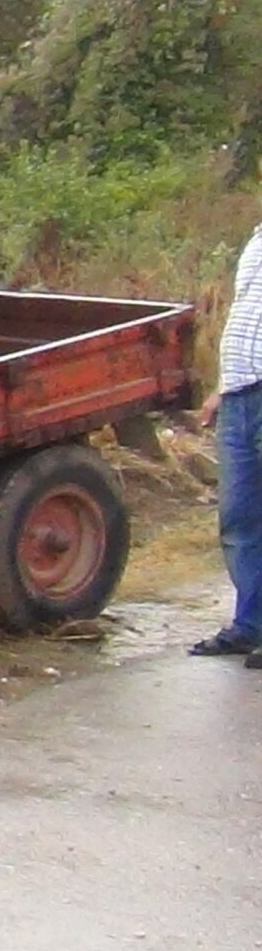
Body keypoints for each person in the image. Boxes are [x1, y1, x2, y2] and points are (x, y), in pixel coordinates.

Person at [189, 220, 262, 661]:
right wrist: (221, 388)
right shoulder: (257, 235)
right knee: (239, 519)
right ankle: (250, 625)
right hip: (239, 397)